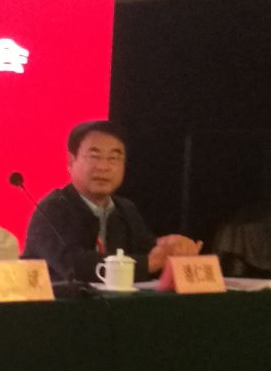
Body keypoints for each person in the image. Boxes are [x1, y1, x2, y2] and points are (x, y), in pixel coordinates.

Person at [22, 120, 201, 284]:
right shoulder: (52, 209)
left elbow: (148, 253)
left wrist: (171, 248)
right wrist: (151, 262)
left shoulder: (125, 209)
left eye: (114, 158)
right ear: (71, 160)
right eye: (94, 156)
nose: (103, 167)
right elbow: (74, 265)